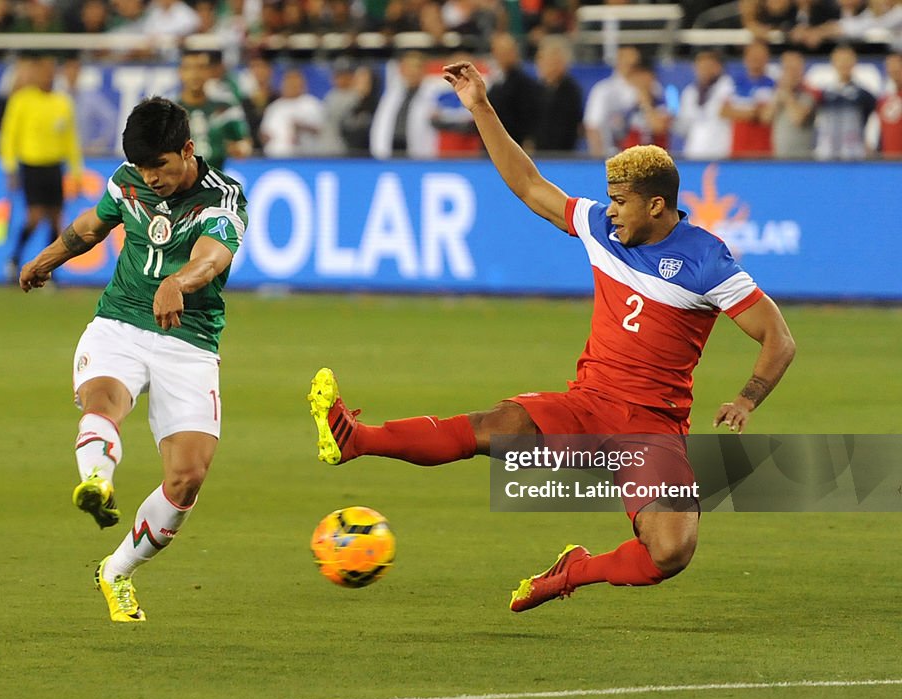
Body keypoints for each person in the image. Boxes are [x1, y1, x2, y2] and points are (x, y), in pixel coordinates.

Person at [308, 62, 796, 612]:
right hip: (588, 404)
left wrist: (747, 398)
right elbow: (528, 183)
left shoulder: (707, 259)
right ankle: (356, 437)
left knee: (670, 552)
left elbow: (779, 338)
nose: (609, 210)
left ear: (656, 205)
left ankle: (573, 572)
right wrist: (480, 107)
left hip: (652, 428)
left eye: (621, 201)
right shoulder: (601, 230)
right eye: (608, 199)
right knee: (493, 427)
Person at [18, 97, 247, 623]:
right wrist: (46, 259)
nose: (152, 178)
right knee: (104, 399)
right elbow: (95, 225)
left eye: (160, 167)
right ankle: (96, 480)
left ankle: (116, 571)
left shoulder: (224, 197)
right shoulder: (127, 180)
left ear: (187, 150)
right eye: (144, 169)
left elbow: (214, 257)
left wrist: (178, 282)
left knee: (187, 477)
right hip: (118, 324)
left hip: (189, 342)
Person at [0, 53, 83, 280]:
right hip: (32, 165)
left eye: (50, 71)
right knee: (34, 217)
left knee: (56, 219)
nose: (47, 76)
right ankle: (15, 258)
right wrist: (9, 166)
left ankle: (49, 268)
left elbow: (70, 140)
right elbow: (9, 135)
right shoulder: (22, 100)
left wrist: (76, 171)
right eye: (43, 71)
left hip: (54, 167)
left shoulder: (62, 102)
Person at [176, 50, 252, 168]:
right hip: (180, 183)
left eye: (201, 68)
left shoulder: (226, 107)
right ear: (180, 73)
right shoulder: (170, 110)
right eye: (189, 68)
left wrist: (241, 148)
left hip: (215, 180)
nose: (195, 74)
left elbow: (244, 142)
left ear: (209, 72)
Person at [674, 49, 734, 160]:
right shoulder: (690, 92)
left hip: (721, 153)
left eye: (709, 66)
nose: (704, 70)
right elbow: (684, 127)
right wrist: (673, 121)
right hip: (693, 153)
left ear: (718, 67)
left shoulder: (730, 88)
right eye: (701, 66)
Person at [720, 39, 775, 158]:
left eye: (760, 57)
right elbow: (723, 111)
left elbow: (767, 116)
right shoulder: (733, 83)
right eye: (753, 56)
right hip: (738, 149)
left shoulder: (774, 84)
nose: (756, 60)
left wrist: (739, 111)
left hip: (764, 151)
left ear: (767, 59)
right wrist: (752, 112)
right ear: (745, 58)